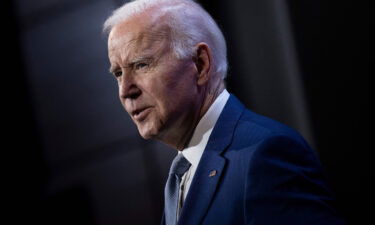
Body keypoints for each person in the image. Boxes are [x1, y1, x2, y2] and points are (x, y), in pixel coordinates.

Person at [103, 0, 346, 224]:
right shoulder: (180, 176)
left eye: (141, 65)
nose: (126, 91)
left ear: (200, 64)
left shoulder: (265, 155)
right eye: (118, 74)